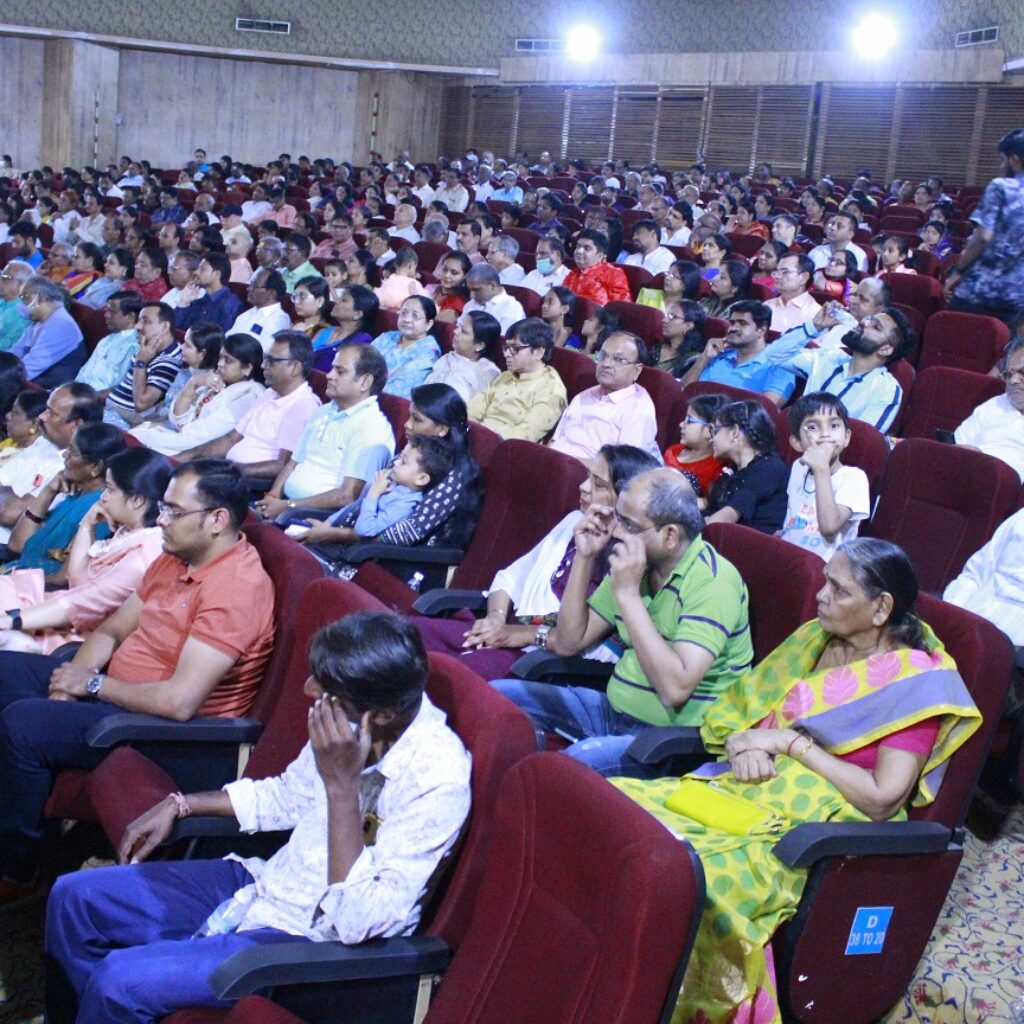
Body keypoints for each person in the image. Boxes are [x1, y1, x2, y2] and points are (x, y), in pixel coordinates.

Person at [613, 538, 981, 1024]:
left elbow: (881, 798)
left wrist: (790, 745)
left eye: (839, 590)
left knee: (678, 878)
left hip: (807, 830)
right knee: (616, 819)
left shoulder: (911, 684)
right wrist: (748, 745)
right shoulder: (815, 641)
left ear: (881, 609)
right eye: (825, 581)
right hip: (737, 789)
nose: (821, 596)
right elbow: (747, 717)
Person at [44, 609, 471, 1021]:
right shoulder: (359, 716)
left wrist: (341, 787)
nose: (309, 690)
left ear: (382, 713)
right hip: (268, 881)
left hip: (309, 940)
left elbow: (359, 920)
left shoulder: (436, 778)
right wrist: (182, 803)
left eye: (326, 690)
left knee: (119, 981)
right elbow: (289, 795)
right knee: (74, 899)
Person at [0, 458, 276, 900]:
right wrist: (69, 686)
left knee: (24, 725)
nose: (160, 520)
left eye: (173, 511)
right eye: (162, 507)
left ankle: (18, 866)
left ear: (217, 520)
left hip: (171, 734)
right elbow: (111, 630)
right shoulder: (175, 557)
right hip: (116, 692)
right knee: (8, 671)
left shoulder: (236, 588)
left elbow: (179, 703)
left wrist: (90, 686)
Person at [493, 467, 752, 776]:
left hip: (666, 741)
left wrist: (628, 595)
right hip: (612, 710)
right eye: (618, 518)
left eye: (629, 525)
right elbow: (568, 642)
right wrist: (585, 557)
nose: (616, 532)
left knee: (561, 770)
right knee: (493, 700)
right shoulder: (638, 565)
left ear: (670, 535)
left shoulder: (713, 582)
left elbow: (674, 689)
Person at [414, 445, 661, 680]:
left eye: (599, 484)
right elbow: (512, 577)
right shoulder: (574, 521)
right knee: (411, 634)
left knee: (438, 672)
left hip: (541, 662)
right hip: (508, 631)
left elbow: (573, 641)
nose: (584, 487)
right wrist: (495, 618)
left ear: (627, 500)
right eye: (588, 476)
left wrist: (519, 634)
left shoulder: (628, 559)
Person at [0, 447, 169, 654]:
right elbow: (77, 581)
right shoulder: (128, 532)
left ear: (137, 500)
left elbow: (87, 601)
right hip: (67, 612)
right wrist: (87, 523)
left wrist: (14, 619)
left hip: (83, 639)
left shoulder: (146, 551)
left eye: (110, 489)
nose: (103, 497)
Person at [253, 342, 394, 520]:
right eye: (332, 369)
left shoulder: (371, 427)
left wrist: (288, 506)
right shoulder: (323, 411)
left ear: (365, 382)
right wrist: (272, 497)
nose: (329, 375)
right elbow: (293, 463)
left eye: (340, 371)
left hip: (314, 517)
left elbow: (347, 496)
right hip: (286, 505)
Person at [178, 332, 321, 484]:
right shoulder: (270, 393)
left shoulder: (303, 406)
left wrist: (227, 471)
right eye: (265, 359)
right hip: (232, 471)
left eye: (271, 361)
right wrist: (186, 458)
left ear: (295, 367)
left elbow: (282, 466)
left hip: (252, 482)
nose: (263, 365)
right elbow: (231, 439)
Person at [2, 422, 127, 578]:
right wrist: (47, 492)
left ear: (95, 467)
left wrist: (16, 583)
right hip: (18, 573)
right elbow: (16, 545)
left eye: (72, 452)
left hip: (37, 586)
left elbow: (65, 578)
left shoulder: (101, 508)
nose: (65, 456)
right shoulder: (74, 495)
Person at [765, 303, 913, 433]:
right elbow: (775, 355)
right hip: (792, 439)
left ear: (885, 349)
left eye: (876, 327)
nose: (864, 322)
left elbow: (860, 439)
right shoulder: (830, 358)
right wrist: (815, 326)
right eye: (869, 319)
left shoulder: (887, 389)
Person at [290, 433, 452, 548]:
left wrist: (374, 493)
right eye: (400, 457)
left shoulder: (405, 504)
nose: (396, 463)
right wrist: (327, 523)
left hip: (348, 551)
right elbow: (355, 507)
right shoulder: (392, 484)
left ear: (421, 479)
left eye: (404, 462)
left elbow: (365, 530)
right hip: (334, 534)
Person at [130, 333, 265, 457]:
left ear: (247, 368)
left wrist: (158, 434)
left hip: (198, 452)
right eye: (220, 357)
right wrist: (192, 384)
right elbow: (177, 420)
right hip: (184, 439)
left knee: (140, 437)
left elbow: (202, 436)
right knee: (139, 433)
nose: (220, 364)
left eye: (228, 361)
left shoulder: (248, 396)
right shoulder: (218, 380)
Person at [944, 131, 1024, 324]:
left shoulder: (1001, 186)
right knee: (997, 341)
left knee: (953, 336)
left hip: (980, 291)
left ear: (1014, 160)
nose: (1001, 166)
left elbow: (982, 237)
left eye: (1003, 160)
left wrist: (958, 271)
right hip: (1016, 297)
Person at [780, 393, 870, 561]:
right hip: (789, 557)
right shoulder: (798, 467)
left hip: (824, 567)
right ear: (797, 443)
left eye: (834, 425)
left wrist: (821, 469)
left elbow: (829, 527)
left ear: (846, 437)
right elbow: (794, 515)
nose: (825, 434)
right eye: (813, 427)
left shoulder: (854, 478)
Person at [549, 331, 659, 462]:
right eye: (603, 356)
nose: (606, 364)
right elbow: (554, 441)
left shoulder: (638, 409)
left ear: (637, 370)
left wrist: (570, 463)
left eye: (618, 360)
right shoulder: (583, 396)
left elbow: (624, 467)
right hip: (554, 464)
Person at [468, 318, 567, 442]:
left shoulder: (551, 390)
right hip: (475, 437)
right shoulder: (506, 376)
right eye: (506, 347)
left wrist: (482, 439)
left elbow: (525, 435)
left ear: (538, 352)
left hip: (505, 447)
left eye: (515, 348)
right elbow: (472, 410)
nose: (506, 354)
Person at [681, 300, 795, 407]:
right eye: (732, 323)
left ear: (761, 331)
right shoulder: (719, 354)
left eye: (742, 323)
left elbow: (767, 408)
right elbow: (685, 390)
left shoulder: (780, 364)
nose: (733, 328)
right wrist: (704, 357)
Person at [705, 399, 789, 533]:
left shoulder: (770, 467)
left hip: (753, 544)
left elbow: (728, 516)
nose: (711, 439)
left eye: (715, 431)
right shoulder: (733, 469)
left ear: (734, 432)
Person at [103, 301, 183, 429]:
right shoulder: (147, 349)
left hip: (123, 423)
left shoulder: (169, 361)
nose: (137, 326)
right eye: (139, 321)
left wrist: (141, 362)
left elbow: (141, 404)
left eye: (145, 321)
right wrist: (93, 396)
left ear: (165, 327)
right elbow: (125, 386)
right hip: (108, 410)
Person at [953, 335, 1024, 480]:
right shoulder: (994, 404)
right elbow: (958, 447)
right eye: (1008, 374)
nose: (1013, 381)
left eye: (1022, 373)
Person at [371, 295, 441, 399]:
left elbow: (401, 389)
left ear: (429, 324)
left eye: (415, 316)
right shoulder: (388, 336)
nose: (407, 319)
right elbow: (361, 361)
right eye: (403, 313)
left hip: (386, 400)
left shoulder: (429, 352)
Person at [75, 290, 142, 396]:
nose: (106, 315)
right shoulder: (106, 340)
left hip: (100, 399)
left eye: (112, 312)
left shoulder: (134, 345)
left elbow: (122, 386)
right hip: (80, 393)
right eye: (106, 310)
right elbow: (84, 373)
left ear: (130, 317)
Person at [425, 310, 501, 403]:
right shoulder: (448, 358)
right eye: (458, 326)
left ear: (479, 345)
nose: (455, 331)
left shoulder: (487, 373)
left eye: (464, 331)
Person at [663, 392, 729, 500]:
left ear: (709, 431)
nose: (681, 424)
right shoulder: (673, 450)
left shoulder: (716, 470)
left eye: (689, 420)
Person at [228, 268, 292, 351]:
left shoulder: (278, 319)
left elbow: (264, 352)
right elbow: (228, 337)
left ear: (271, 293)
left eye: (255, 286)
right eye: (251, 284)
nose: (249, 288)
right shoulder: (248, 313)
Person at [564, 229, 631, 305]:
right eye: (578, 246)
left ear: (600, 256)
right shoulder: (573, 273)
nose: (579, 251)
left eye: (587, 248)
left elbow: (621, 306)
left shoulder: (613, 274)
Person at [461, 263, 526, 334]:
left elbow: (503, 339)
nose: (472, 296)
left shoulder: (512, 308)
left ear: (493, 286)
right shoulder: (471, 304)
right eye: (470, 290)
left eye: (476, 290)